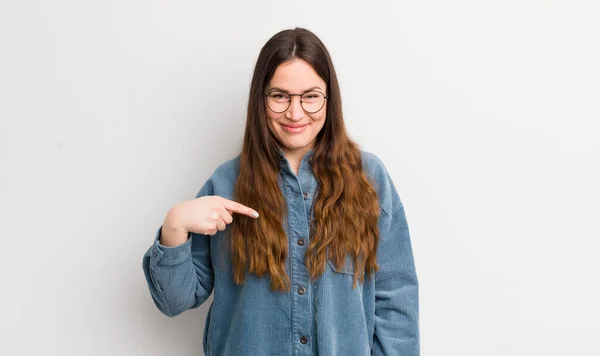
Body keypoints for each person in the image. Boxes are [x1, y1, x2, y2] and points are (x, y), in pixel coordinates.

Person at [142, 27, 419, 356]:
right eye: (280, 96)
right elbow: (175, 301)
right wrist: (175, 225)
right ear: (261, 99)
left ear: (329, 99)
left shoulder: (370, 179)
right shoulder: (226, 183)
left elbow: (396, 300)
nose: (295, 112)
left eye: (310, 96)